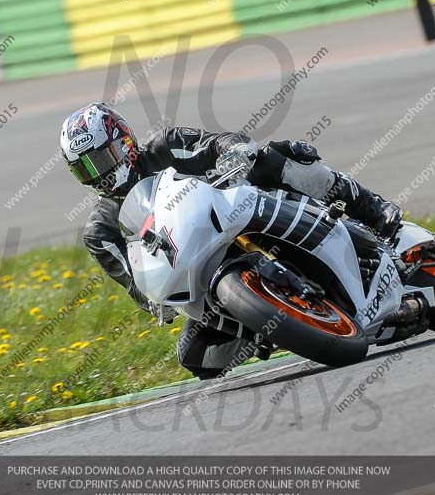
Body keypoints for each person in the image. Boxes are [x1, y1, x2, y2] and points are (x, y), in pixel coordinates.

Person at [61, 102, 401, 378]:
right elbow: (133, 282)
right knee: (195, 357)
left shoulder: (165, 146)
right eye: (85, 169)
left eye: (100, 160)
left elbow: (219, 141)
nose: (98, 174)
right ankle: (276, 327)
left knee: (280, 156)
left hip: (234, 208)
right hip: (197, 273)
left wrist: (234, 153)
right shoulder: (101, 230)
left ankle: (372, 209)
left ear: (124, 143)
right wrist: (153, 299)